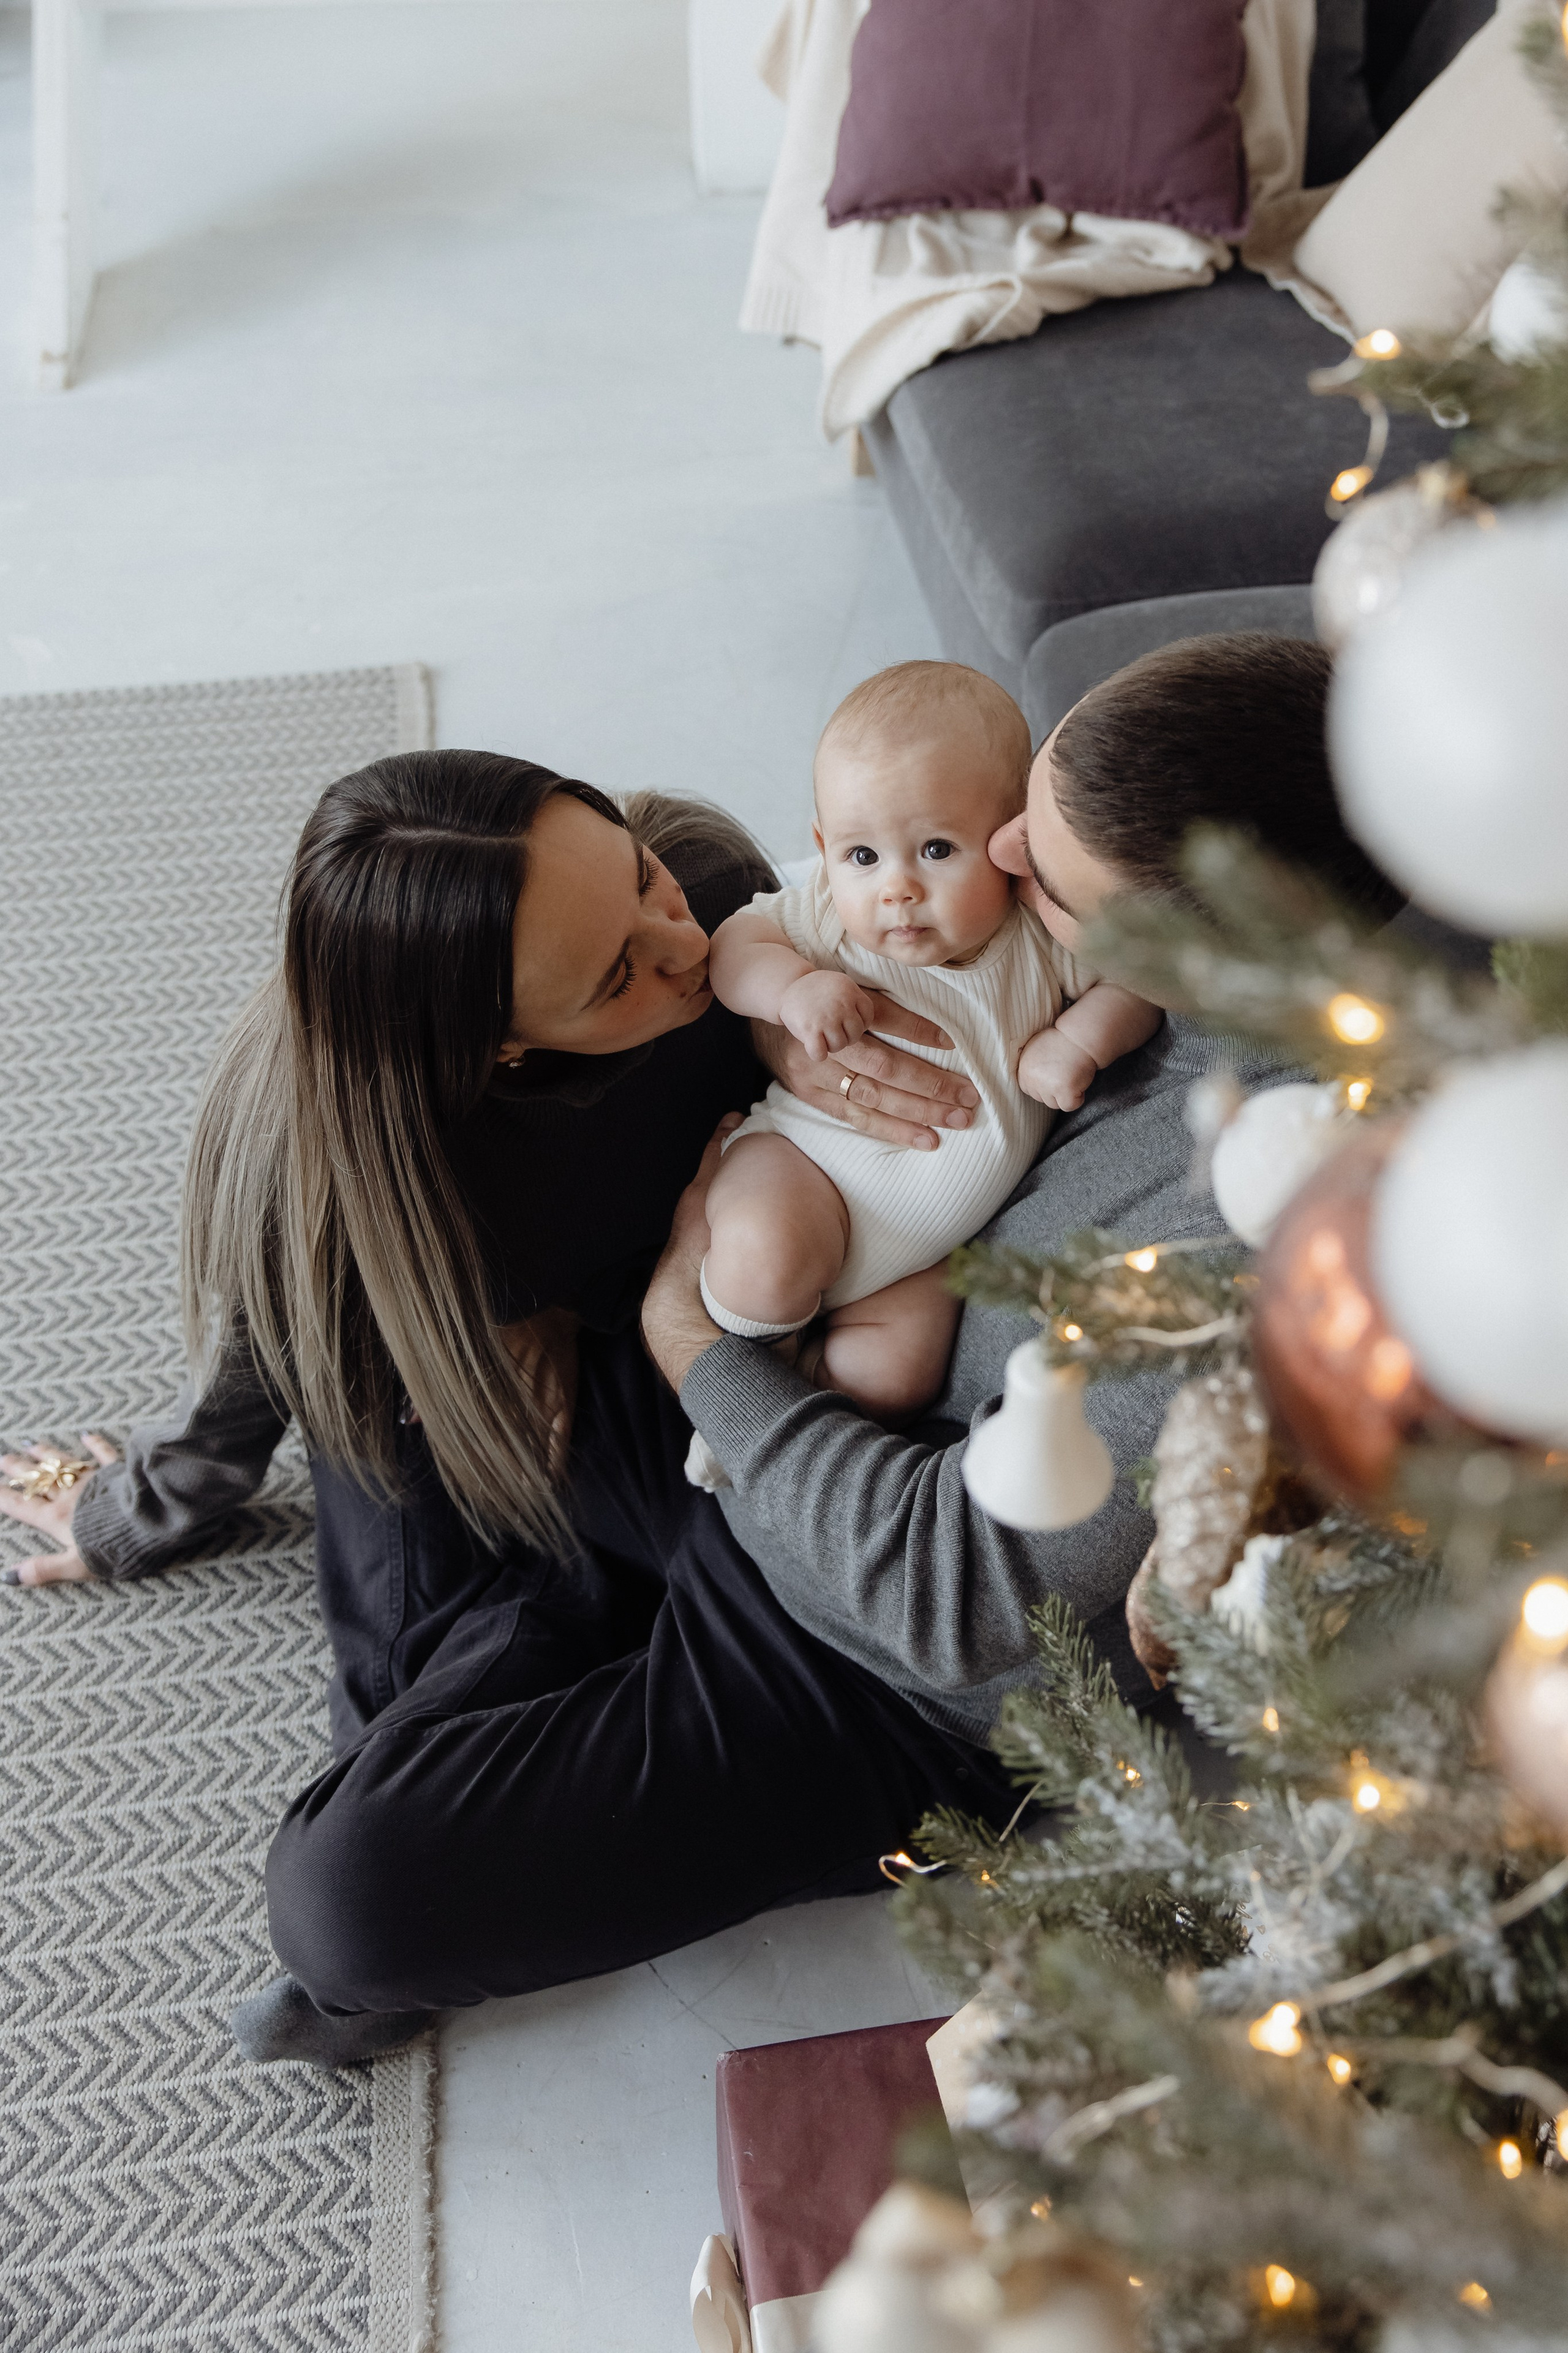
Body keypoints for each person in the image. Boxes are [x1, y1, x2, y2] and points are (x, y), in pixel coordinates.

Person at [0, 635, 1398, 2069]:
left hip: (877, 1664)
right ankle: (518, 1631)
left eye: (1034, 873)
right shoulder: (1031, 909)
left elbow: (949, 1594)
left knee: (350, 1900)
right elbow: (335, 1185)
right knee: (370, 1208)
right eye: (1015, 822)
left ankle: (508, 1649)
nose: (984, 869)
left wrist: (685, 1347)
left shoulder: (1264, 1221)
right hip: (757, 1384)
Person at [697, 662, 1158, 1433]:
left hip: (922, 1253)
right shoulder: (824, 915)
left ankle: (796, 1382)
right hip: (806, 1166)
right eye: (862, 857)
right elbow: (734, 942)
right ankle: (738, 1372)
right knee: (765, 1266)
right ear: (823, 847)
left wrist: (1079, 1036)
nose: (895, 889)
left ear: (1012, 840)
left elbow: (1139, 984)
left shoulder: (1040, 941)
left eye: (937, 850)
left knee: (892, 1379)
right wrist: (789, 991)